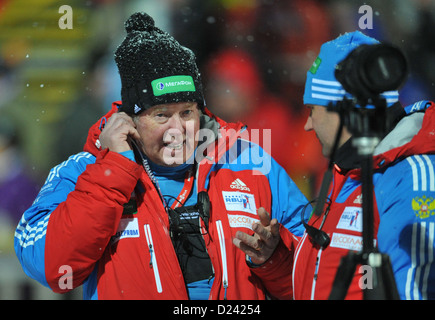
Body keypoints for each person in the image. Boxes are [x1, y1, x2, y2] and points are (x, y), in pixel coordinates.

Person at [14, 12, 308, 300]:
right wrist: (113, 171)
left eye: (187, 112)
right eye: (161, 115)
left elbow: (316, 276)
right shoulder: (84, 172)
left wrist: (275, 259)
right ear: (130, 119)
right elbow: (51, 269)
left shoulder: (248, 162)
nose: (177, 130)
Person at [235, 31, 435, 300]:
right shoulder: (343, 174)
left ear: (344, 110)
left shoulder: (411, 177)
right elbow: (319, 288)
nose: (307, 124)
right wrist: (275, 262)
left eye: (312, 110)